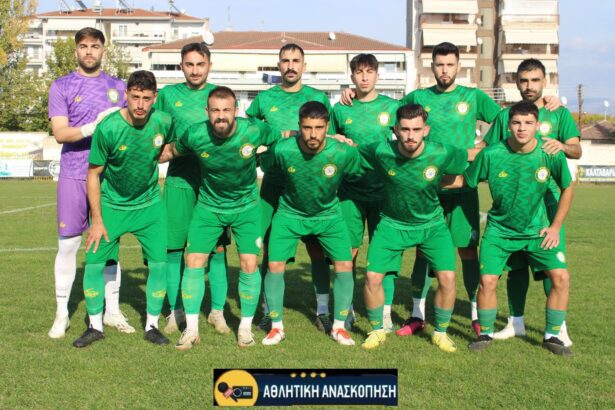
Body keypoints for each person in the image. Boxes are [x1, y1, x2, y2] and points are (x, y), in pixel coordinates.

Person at [446, 101, 574, 356]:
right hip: (500, 231)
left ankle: (552, 336)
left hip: (537, 230)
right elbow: (466, 181)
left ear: (537, 125)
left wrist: (555, 226)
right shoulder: (491, 154)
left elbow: (567, 188)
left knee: (561, 277)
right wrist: (426, 178)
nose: (522, 128)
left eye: (528, 123)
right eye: (516, 122)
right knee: (487, 281)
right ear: (508, 125)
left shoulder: (550, 153)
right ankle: (485, 334)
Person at [160, 86, 279, 350]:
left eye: (226, 110)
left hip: (246, 207)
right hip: (209, 207)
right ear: (207, 111)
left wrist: (263, 160)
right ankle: (191, 330)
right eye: (215, 110)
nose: (221, 116)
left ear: (236, 110)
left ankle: (245, 329)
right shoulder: (195, 134)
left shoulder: (254, 130)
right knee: (193, 260)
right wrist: (135, 151)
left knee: (249, 263)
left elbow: (282, 138)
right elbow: (169, 152)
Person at [72, 70, 175, 348]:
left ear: (155, 98)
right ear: (126, 94)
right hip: (112, 206)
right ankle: (95, 326)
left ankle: (152, 326)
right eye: (135, 97)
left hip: (150, 206)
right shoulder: (109, 128)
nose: (140, 104)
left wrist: (166, 153)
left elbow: (169, 147)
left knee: (159, 265)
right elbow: (93, 174)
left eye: (146, 98)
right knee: (94, 264)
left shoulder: (164, 121)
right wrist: (97, 220)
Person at [484, 58, 581, 346]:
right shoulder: (507, 115)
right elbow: (487, 149)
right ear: (516, 82)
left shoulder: (558, 113)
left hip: (548, 203)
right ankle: (516, 322)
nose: (529, 86)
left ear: (545, 82)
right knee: (516, 267)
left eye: (535, 80)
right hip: (514, 203)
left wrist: (562, 145)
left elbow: (576, 150)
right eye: (524, 80)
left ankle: (558, 327)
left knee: (552, 266)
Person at [246, 43, 337, 334]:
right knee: (268, 247)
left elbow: (332, 137)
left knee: (316, 248)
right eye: (285, 60)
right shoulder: (264, 99)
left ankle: (323, 311)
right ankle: (267, 311)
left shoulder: (318, 98)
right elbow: (248, 131)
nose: (290, 65)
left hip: (309, 185)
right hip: (273, 184)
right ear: (278, 65)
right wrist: (268, 143)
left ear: (304, 65)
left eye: (296, 60)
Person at [360, 104, 466, 351]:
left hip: (432, 225)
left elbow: (464, 162)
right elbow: (352, 152)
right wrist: (338, 139)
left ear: (425, 130)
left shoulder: (442, 152)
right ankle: (377, 330)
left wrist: (438, 181)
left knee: (448, 278)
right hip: (392, 224)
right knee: (372, 277)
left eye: (416, 130)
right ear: (396, 129)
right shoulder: (379, 150)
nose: (410, 135)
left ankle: (440, 333)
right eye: (405, 129)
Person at [47, 27, 130, 339]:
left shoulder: (119, 87)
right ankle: (61, 314)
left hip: (109, 178)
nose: (89, 51)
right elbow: (60, 133)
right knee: (68, 244)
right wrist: (91, 128)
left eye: (95, 46)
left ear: (103, 50)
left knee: (109, 244)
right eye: (83, 46)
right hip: (74, 173)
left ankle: (113, 310)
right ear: (76, 51)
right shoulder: (62, 86)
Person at [260, 101, 363, 346]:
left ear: (327, 127)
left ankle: (339, 327)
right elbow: (265, 164)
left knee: (344, 265)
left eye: (319, 128)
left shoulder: (343, 152)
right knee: (274, 264)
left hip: (328, 215)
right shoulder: (283, 149)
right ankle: (276, 327)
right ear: (299, 126)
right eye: (307, 128)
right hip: (290, 213)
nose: (313, 134)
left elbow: (361, 172)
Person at [153, 42, 231, 335]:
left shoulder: (219, 97)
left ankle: (217, 312)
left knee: (218, 250)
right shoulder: (168, 96)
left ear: (209, 65)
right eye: (189, 64)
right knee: (174, 249)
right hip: (178, 181)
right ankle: (176, 311)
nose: (195, 70)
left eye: (200, 64)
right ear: (181, 66)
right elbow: (155, 133)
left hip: (214, 185)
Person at [330, 53, 400, 332]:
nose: (364, 77)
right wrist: (334, 138)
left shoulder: (393, 107)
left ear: (378, 75)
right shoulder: (340, 109)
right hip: (350, 191)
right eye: (359, 72)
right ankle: (345, 309)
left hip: (384, 192)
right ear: (352, 77)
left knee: (385, 253)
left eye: (369, 71)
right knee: (347, 252)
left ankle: (385, 312)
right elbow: (327, 139)